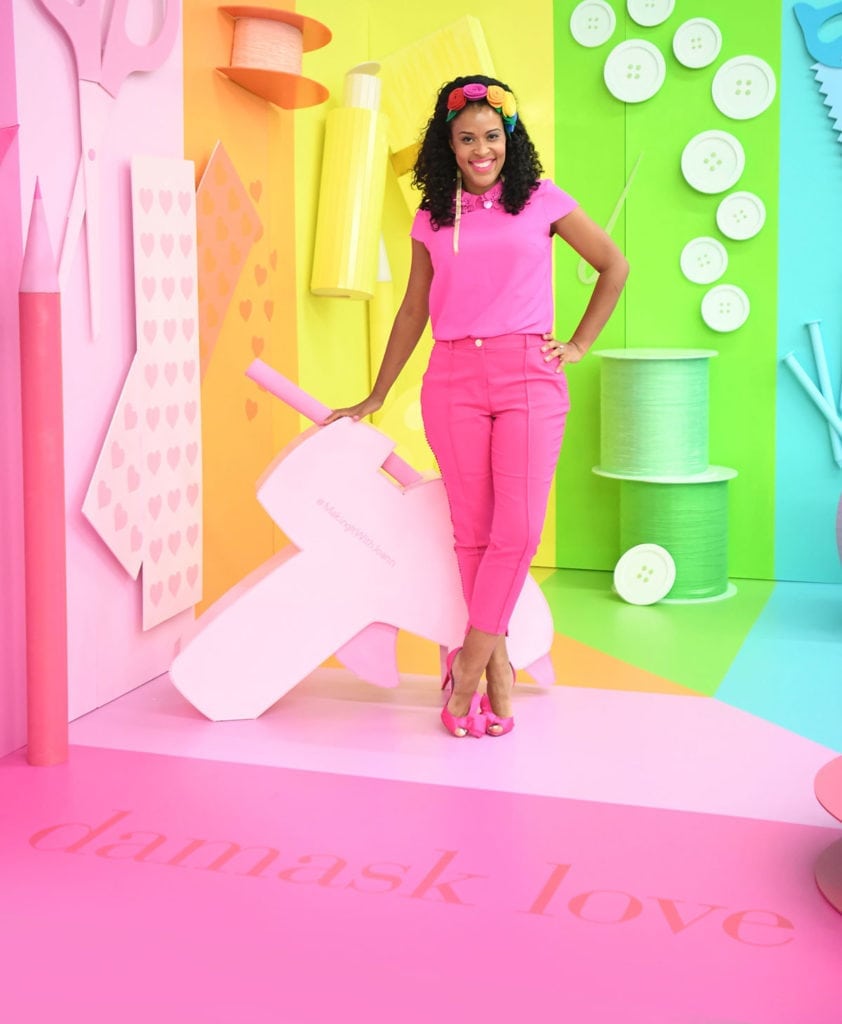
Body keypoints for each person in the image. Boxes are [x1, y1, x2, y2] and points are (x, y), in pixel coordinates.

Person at [325, 74, 628, 739]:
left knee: (517, 533)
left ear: (510, 138)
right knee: (473, 534)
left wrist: (578, 344)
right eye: (467, 139)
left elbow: (615, 265)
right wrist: (377, 393)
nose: (481, 150)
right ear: (449, 145)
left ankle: (469, 668)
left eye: (492, 136)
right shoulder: (432, 217)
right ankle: (498, 671)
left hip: (528, 379)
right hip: (453, 378)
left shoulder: (543, 200)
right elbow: (413, 308)